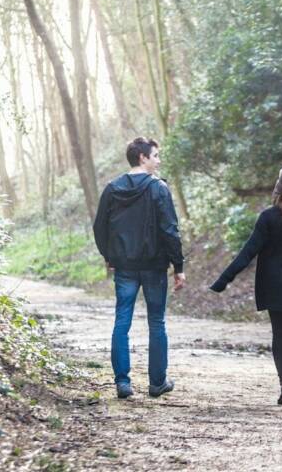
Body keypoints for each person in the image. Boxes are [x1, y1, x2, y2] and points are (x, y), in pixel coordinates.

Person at [209, 163, 282, 408]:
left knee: (280, 335)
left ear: (279, 187)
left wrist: (224, 279)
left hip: (274, 286)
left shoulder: (268, 217)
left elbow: (248, 251)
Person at [93, 137, 186, 400]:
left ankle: (123, 383)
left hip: (124, 267)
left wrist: (109, 255)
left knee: (122, 321)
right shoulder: (159, 189)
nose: (158, 160)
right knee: (156, 321)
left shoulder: (112, 188)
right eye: (155, 155)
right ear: (142, 158)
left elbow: (100, 227)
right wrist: (178, 265)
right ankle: (157, 382)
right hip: (155, 266)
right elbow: (170, 230)